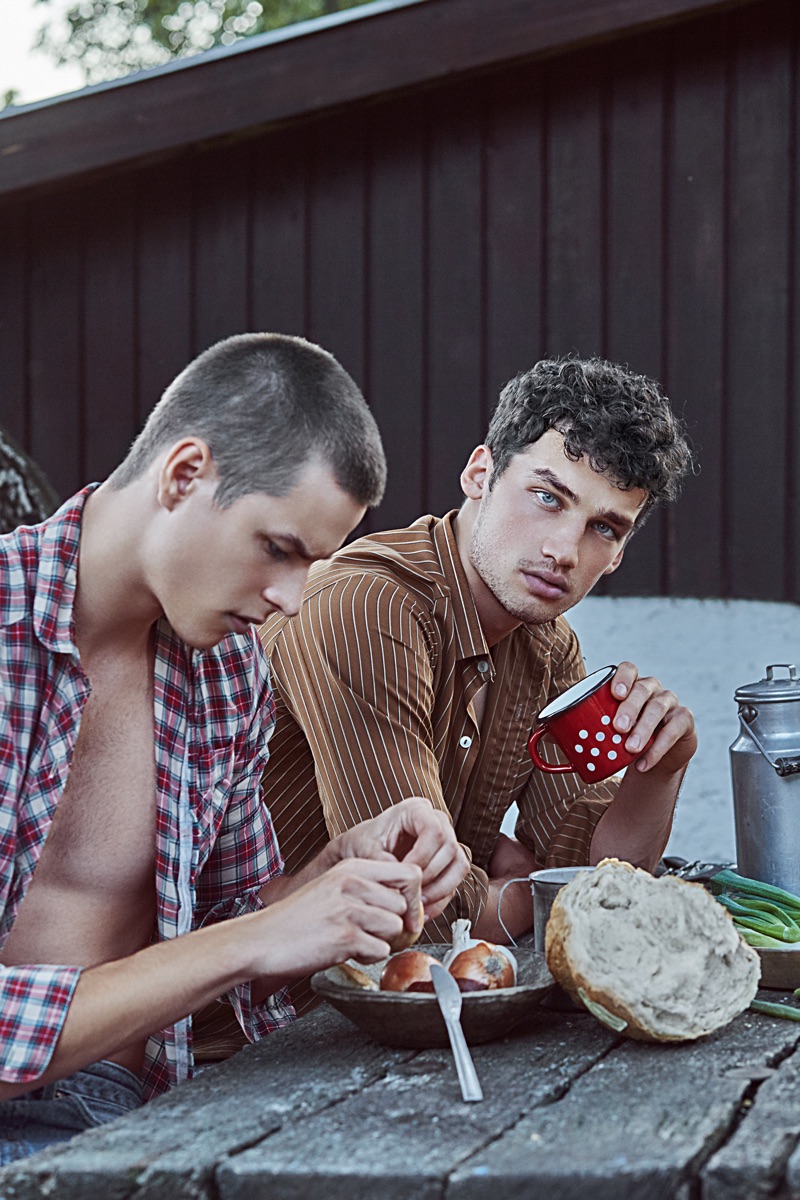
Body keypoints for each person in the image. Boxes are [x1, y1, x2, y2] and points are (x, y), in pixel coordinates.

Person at [0, 332, 468, 1162]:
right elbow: (237, 945)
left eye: (312, 565)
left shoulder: (227, 674)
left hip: (144, 1110)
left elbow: (234, 918)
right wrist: (258, 938)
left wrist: (329, 881)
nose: (290, 599)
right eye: (278, 549)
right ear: (184, 475)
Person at [260, 355, 698, 1011]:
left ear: (619, 551)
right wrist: (522, 894)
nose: (563, 551)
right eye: (548, 498)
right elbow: (419, 917)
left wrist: (657, 774)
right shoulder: (369, 607)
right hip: (245, 1033)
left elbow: (600, 889)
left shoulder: (545, 645)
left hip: (397, 1021)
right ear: (480, 473)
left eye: (602, 527)